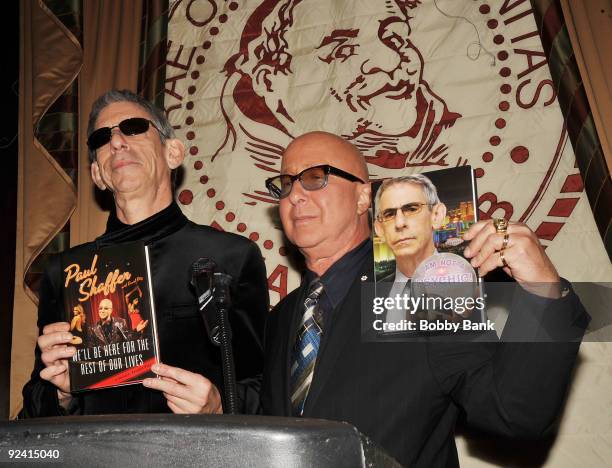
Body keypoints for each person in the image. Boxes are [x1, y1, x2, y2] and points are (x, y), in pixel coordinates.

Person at [261, 131, 588, 466]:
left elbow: (515, 412)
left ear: (363, 198)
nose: (295, 195)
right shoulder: (282, 317)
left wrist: (542, 290)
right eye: (285, 184)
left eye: (315, 178)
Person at [20, 89, 268, 417]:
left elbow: (267, 387)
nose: (117, 141)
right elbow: (35, 409)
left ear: (173, 152)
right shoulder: (63, 272)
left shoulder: (231, 257)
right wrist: (61, 394)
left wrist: (219, 404)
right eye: (101, 137)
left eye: (134, 127)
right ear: (97, 174)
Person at [373, 174, 447, 281]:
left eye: (412, 209)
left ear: (436, 216)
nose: (399, 223)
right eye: (389, 214)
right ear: (379, 229)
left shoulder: (469, 277)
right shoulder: (375, 288)